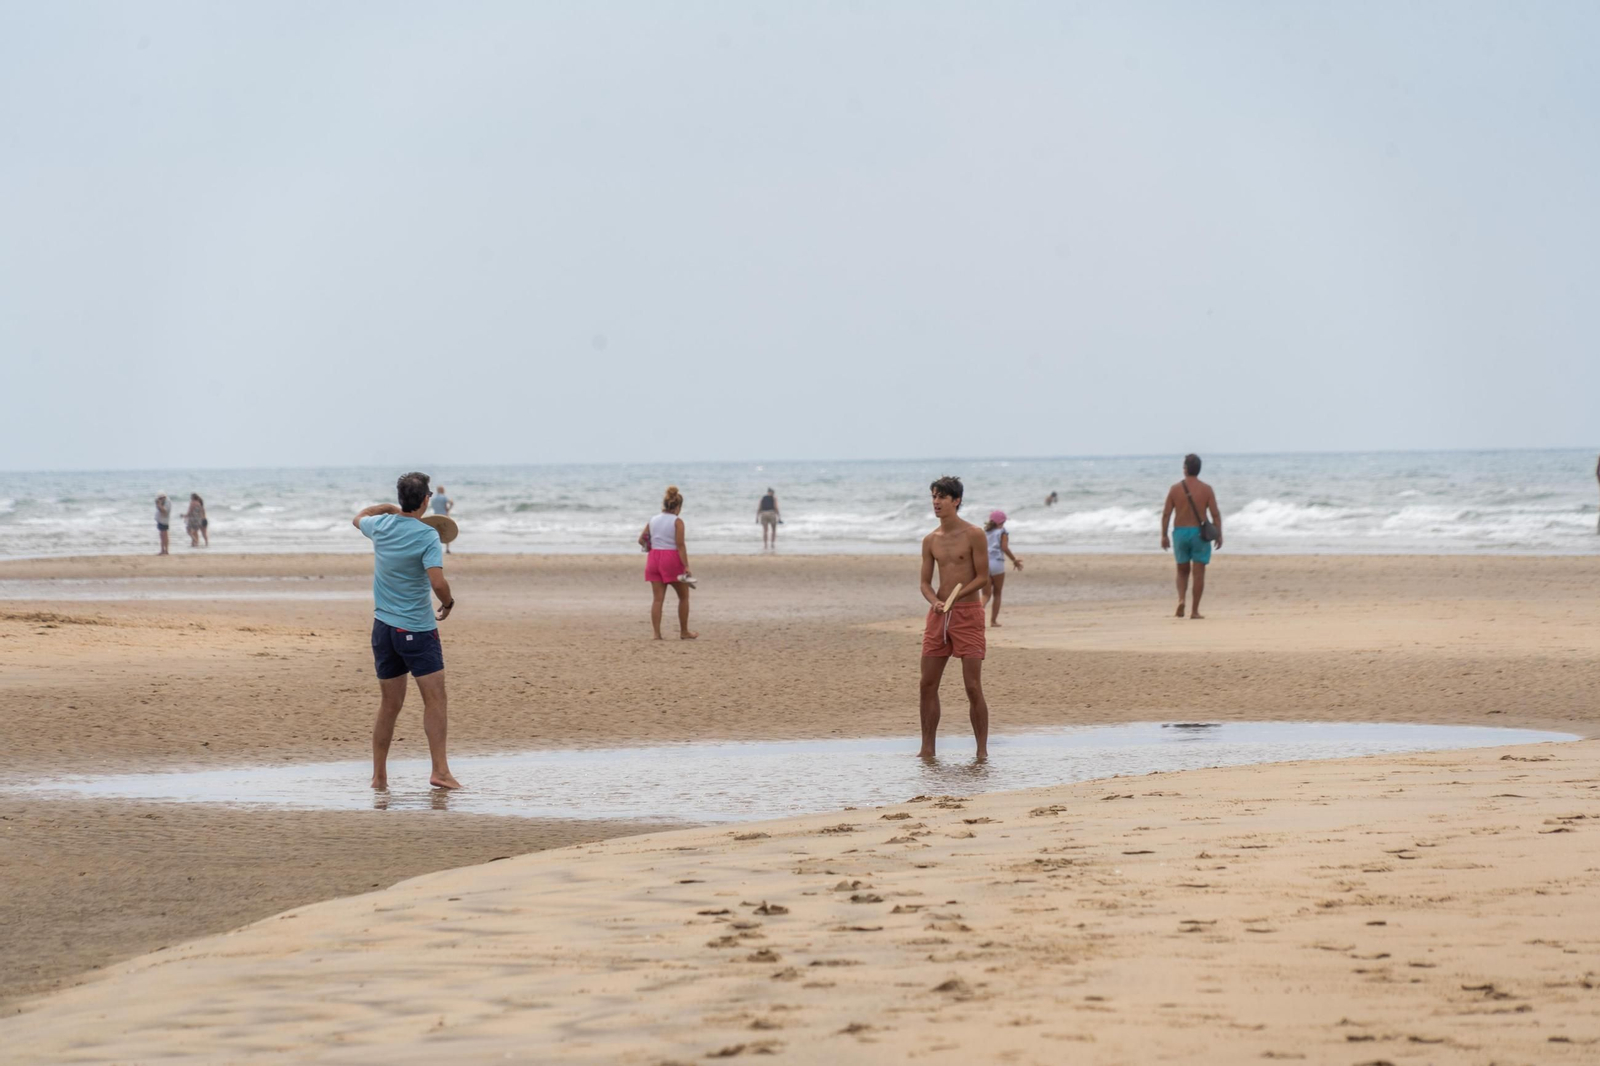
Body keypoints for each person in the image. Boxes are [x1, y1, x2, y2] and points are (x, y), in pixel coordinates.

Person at [352, 471, 460, 791]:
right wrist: (448, 602)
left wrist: (385, 507)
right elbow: (437, 582)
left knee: (390, 704)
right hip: (416, 629)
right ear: (426, 499)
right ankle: (440, 771)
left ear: (401, 499)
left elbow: (358, 517)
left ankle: (378, 777)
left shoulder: (380, 526)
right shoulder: (427, 536)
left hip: (383, 629)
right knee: (435, 699)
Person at [918, 475, 991, 759]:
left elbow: (983, 577)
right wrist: (936, 601)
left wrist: (956, 598)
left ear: (956, 501)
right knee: (927, 683)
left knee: (972, 685)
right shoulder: (930, 540)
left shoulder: (974, 534)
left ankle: (982, 751)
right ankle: (927, 748)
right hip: (939, 615)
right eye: (933, 497)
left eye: (942, 497)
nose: (936, 502)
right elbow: (924, 582)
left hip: (968, 614)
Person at [1161, 453, 1223, 620]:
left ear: (1186, 469)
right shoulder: (1206, 489)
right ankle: (1194, 611)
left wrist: (1164, 535)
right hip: (1199, 534)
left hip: (1180, 532)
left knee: (1181, 571)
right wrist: (1219, 534)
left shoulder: (1174, 489)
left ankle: (1181, 599)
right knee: (1198, 573)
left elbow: (1166, 514)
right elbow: (1215, 514)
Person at [638, 484, 697, 640]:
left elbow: (641, 540)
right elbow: (680, 545)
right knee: (683, 596)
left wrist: (652, 546)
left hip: (653, 558)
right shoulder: (677, 521)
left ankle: (656, 634)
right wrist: (686, 566)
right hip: (670, 558)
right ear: (678, 507)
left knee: (657, 599)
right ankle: (684, 632)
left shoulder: (653, 520)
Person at [981, 510, 1023, 626]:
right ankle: (993, 621)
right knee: (997, 593)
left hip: (984, 564)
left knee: (985, 595)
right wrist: (1014, 560)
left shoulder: (985, 532)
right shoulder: (1002, 532)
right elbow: (1004, 547)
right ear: (1002, 522)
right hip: (997, 564)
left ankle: (975, 618)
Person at [431, 485, 455, 554]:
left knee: (437, 533)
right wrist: (448, 509)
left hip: (435, 516)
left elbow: (432, 507)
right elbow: (451, 503)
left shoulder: (434, 499)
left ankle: (436, 548)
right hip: (444, 516)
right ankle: (447, 549)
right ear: (442, 490)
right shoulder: (444, 497)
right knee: (446, 531)